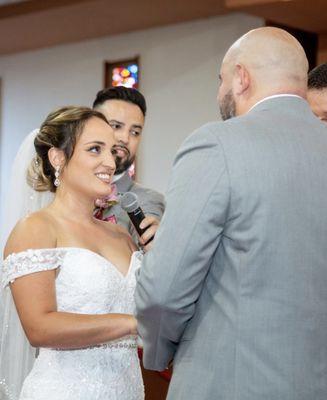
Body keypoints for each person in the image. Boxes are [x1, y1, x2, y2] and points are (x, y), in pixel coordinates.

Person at [135, 27, 327, 400]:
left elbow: (165, 289)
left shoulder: (218, 144)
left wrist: (157, 353)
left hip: (229, 383)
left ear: (241, 77)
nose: (219, 90)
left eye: (220, 78)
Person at [0, 107, 144, 400]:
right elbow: (40, 327)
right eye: (95, 149)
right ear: (58, 158)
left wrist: (157, 251)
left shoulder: (121, 235)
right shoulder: (36, 229)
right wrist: (132, 324)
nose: (110, 162)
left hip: (127, 390)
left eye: (113, 151)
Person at [92, 87, 165, 249]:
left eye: (135, 132)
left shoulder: (147, 200)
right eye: (116, 126)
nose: (125, 138)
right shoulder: (66, 190)